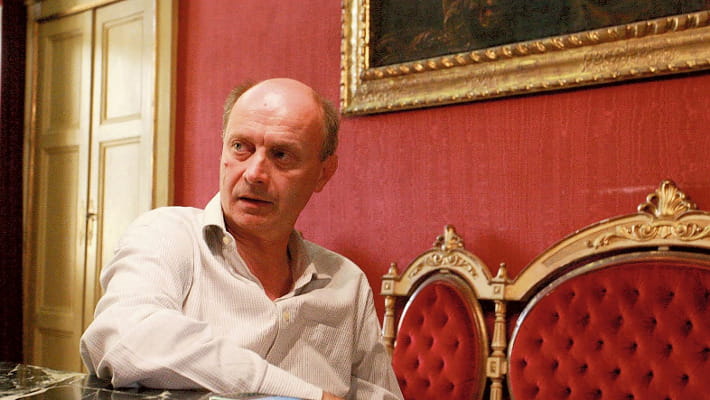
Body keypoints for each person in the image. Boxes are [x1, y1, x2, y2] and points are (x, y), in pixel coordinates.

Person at [79, 78, 404, 400]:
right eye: (240, 147)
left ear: (323, 173)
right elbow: (125, 338)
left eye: (281, 155)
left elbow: (380, 394)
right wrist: (306, 396)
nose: (254, 173)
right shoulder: (166, 235)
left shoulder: (346, 282)